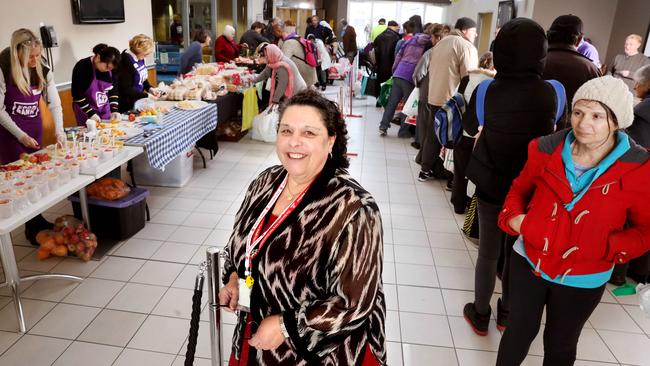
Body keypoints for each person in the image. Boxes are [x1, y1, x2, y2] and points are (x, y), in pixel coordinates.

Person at [219, 89, 386, 365]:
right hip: (257, 338)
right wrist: (236, 278)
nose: (293, 142)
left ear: (330, 140)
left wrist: (286, 326)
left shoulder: (354, 208)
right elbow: (242, 245)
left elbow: (354, 304)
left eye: (308, 133)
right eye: (286, 131)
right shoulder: (266, 182)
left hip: (322, 353)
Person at [496, 75, 650, 365]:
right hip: (529, 260)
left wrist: (609, 247)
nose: (583, 124)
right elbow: (519, 189)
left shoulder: (639, 167)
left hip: (584, 275)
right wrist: (516, 220)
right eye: (578, 112)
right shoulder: (544, 149)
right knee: (518, 332)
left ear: (616, 122)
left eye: (596, 116)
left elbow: (646, 229)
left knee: (561, 344)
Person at [461, 18, 561, 336]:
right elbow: (556, 136)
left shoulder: (486, 88)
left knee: (488, 250)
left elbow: (466, 130)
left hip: (492, 181)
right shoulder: (551, 92)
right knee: (516, 252)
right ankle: (507, 313)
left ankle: (480, 313)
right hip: (531, 188)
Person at [0, 28, 66, 244]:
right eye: (31, 56)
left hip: (34, 131)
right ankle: (30, 228)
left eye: (38, 55)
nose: (35, 60)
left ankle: (36, 222)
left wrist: (60, 131)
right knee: (20, 181)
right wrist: (20, 136)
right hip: (11, 135)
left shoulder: (43, 69)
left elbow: (55, 103)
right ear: (18, 52)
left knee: (36, 178)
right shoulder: (4, 67)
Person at [417, 17, 478, 182]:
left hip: (434, 97)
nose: (476, 34)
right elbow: (470, 77)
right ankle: (453, 178)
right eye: (474, 31)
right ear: (465, 31)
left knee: (433, 134)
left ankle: (425, 169)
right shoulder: (465, 46)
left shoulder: (440, 44)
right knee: (456, 138)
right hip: (453, 101)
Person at [610, 64, 650, 286]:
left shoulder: (640, 114)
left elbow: (629, 147)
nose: (636, 85)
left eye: (639, 81)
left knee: (627, 219)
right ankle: (641, 272)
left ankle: (618, 273)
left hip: (639, 174)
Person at [450, 51, 495, 214]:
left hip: (463, 131)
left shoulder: (467, 79)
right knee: (477, 172)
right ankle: (472, 205)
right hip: (481, 135)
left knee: (460, 170)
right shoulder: (493, 83)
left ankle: (458, 203)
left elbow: (456, 100)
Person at [542, 14, 601, 129]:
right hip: (571, 135)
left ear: (548, 35)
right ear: (579, 39)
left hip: (529, 133)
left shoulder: (533, 60)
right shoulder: (590, 69)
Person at [378, 28, 434, 137]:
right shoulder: (429, 44)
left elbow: (399, 55)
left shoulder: (411, 39)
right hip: (411, 76)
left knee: (392, 103)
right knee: (407, 105)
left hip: (399, 72)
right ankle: (403, 132)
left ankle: (383, 126)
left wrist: (395, 71)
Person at [412, 23, 448, 149]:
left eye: (432, 38)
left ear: (438, 38)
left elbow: (418, 73)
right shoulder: (450, 54)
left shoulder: (430, 53)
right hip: (444, 97)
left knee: (424, 126)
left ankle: (423, 153)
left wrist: (417, 85)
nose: (431, 40)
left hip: (427, 94)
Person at [71, 44, 121, 126]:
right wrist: (91, 114)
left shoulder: (112, 68)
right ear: (98, 57)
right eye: (107, 66)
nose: (109, 70)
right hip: (85, 110)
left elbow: (113, 90)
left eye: (111, 68)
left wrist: (114, 110)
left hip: (104, 109)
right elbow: (77, 94)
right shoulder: (82, 66)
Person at [116, 34, 160, 113]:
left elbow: (142, 78)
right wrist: (147, 95)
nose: (146, 56)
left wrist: (150, 88)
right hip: (126, 104)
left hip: (137, 100)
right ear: (139, 50)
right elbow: (126, 89)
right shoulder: (125, 62)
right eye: (145, 54)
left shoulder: (140, 57)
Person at [281, 20, 318, 87]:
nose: (281, 35)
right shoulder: (299, 38)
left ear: (285, 32)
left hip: (302, 76)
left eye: (282, 32)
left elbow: (283, 60)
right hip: (310, 73)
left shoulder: (289, 42)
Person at [372, 20, 401, 85]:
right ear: (394, 27)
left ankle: (378, 94)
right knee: (388, 87)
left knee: (379, 85)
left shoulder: (379, 37)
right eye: (397, 28)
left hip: (380, 66)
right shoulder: (397, 38)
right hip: (391, 67)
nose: (398, 29)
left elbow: (374, 51)